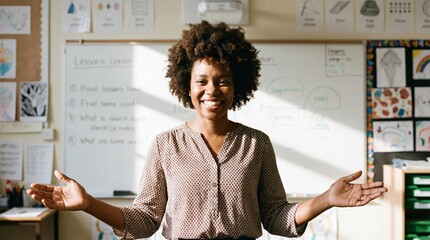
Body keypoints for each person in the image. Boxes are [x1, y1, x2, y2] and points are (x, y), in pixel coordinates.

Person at [27, 21, 387, 240]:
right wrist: (88, 203)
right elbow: (144, 220)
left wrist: (325, 200)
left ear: (238, 85)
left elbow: (276, 216)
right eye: (202, 81)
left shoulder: (256, 144)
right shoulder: (166, 145)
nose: (212, 90)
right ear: (186, 85)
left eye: (223, 81)